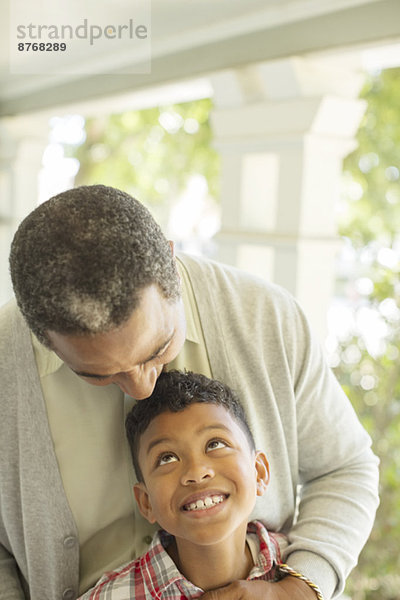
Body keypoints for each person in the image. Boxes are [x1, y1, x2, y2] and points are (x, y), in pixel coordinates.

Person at [0, 184, 379, 600]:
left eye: (159, 349)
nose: (142, 388)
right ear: (40, 335)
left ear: (170, 259)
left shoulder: (266, 316)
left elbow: (344, 469)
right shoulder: (7, 358)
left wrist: (302, 587)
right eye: (97, 374)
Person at [80, 370, 323, 600]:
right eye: (167, 458)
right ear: (146, 503)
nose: (196, 473)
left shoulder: (305, 569)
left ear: (259, 472)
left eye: (215, 444)